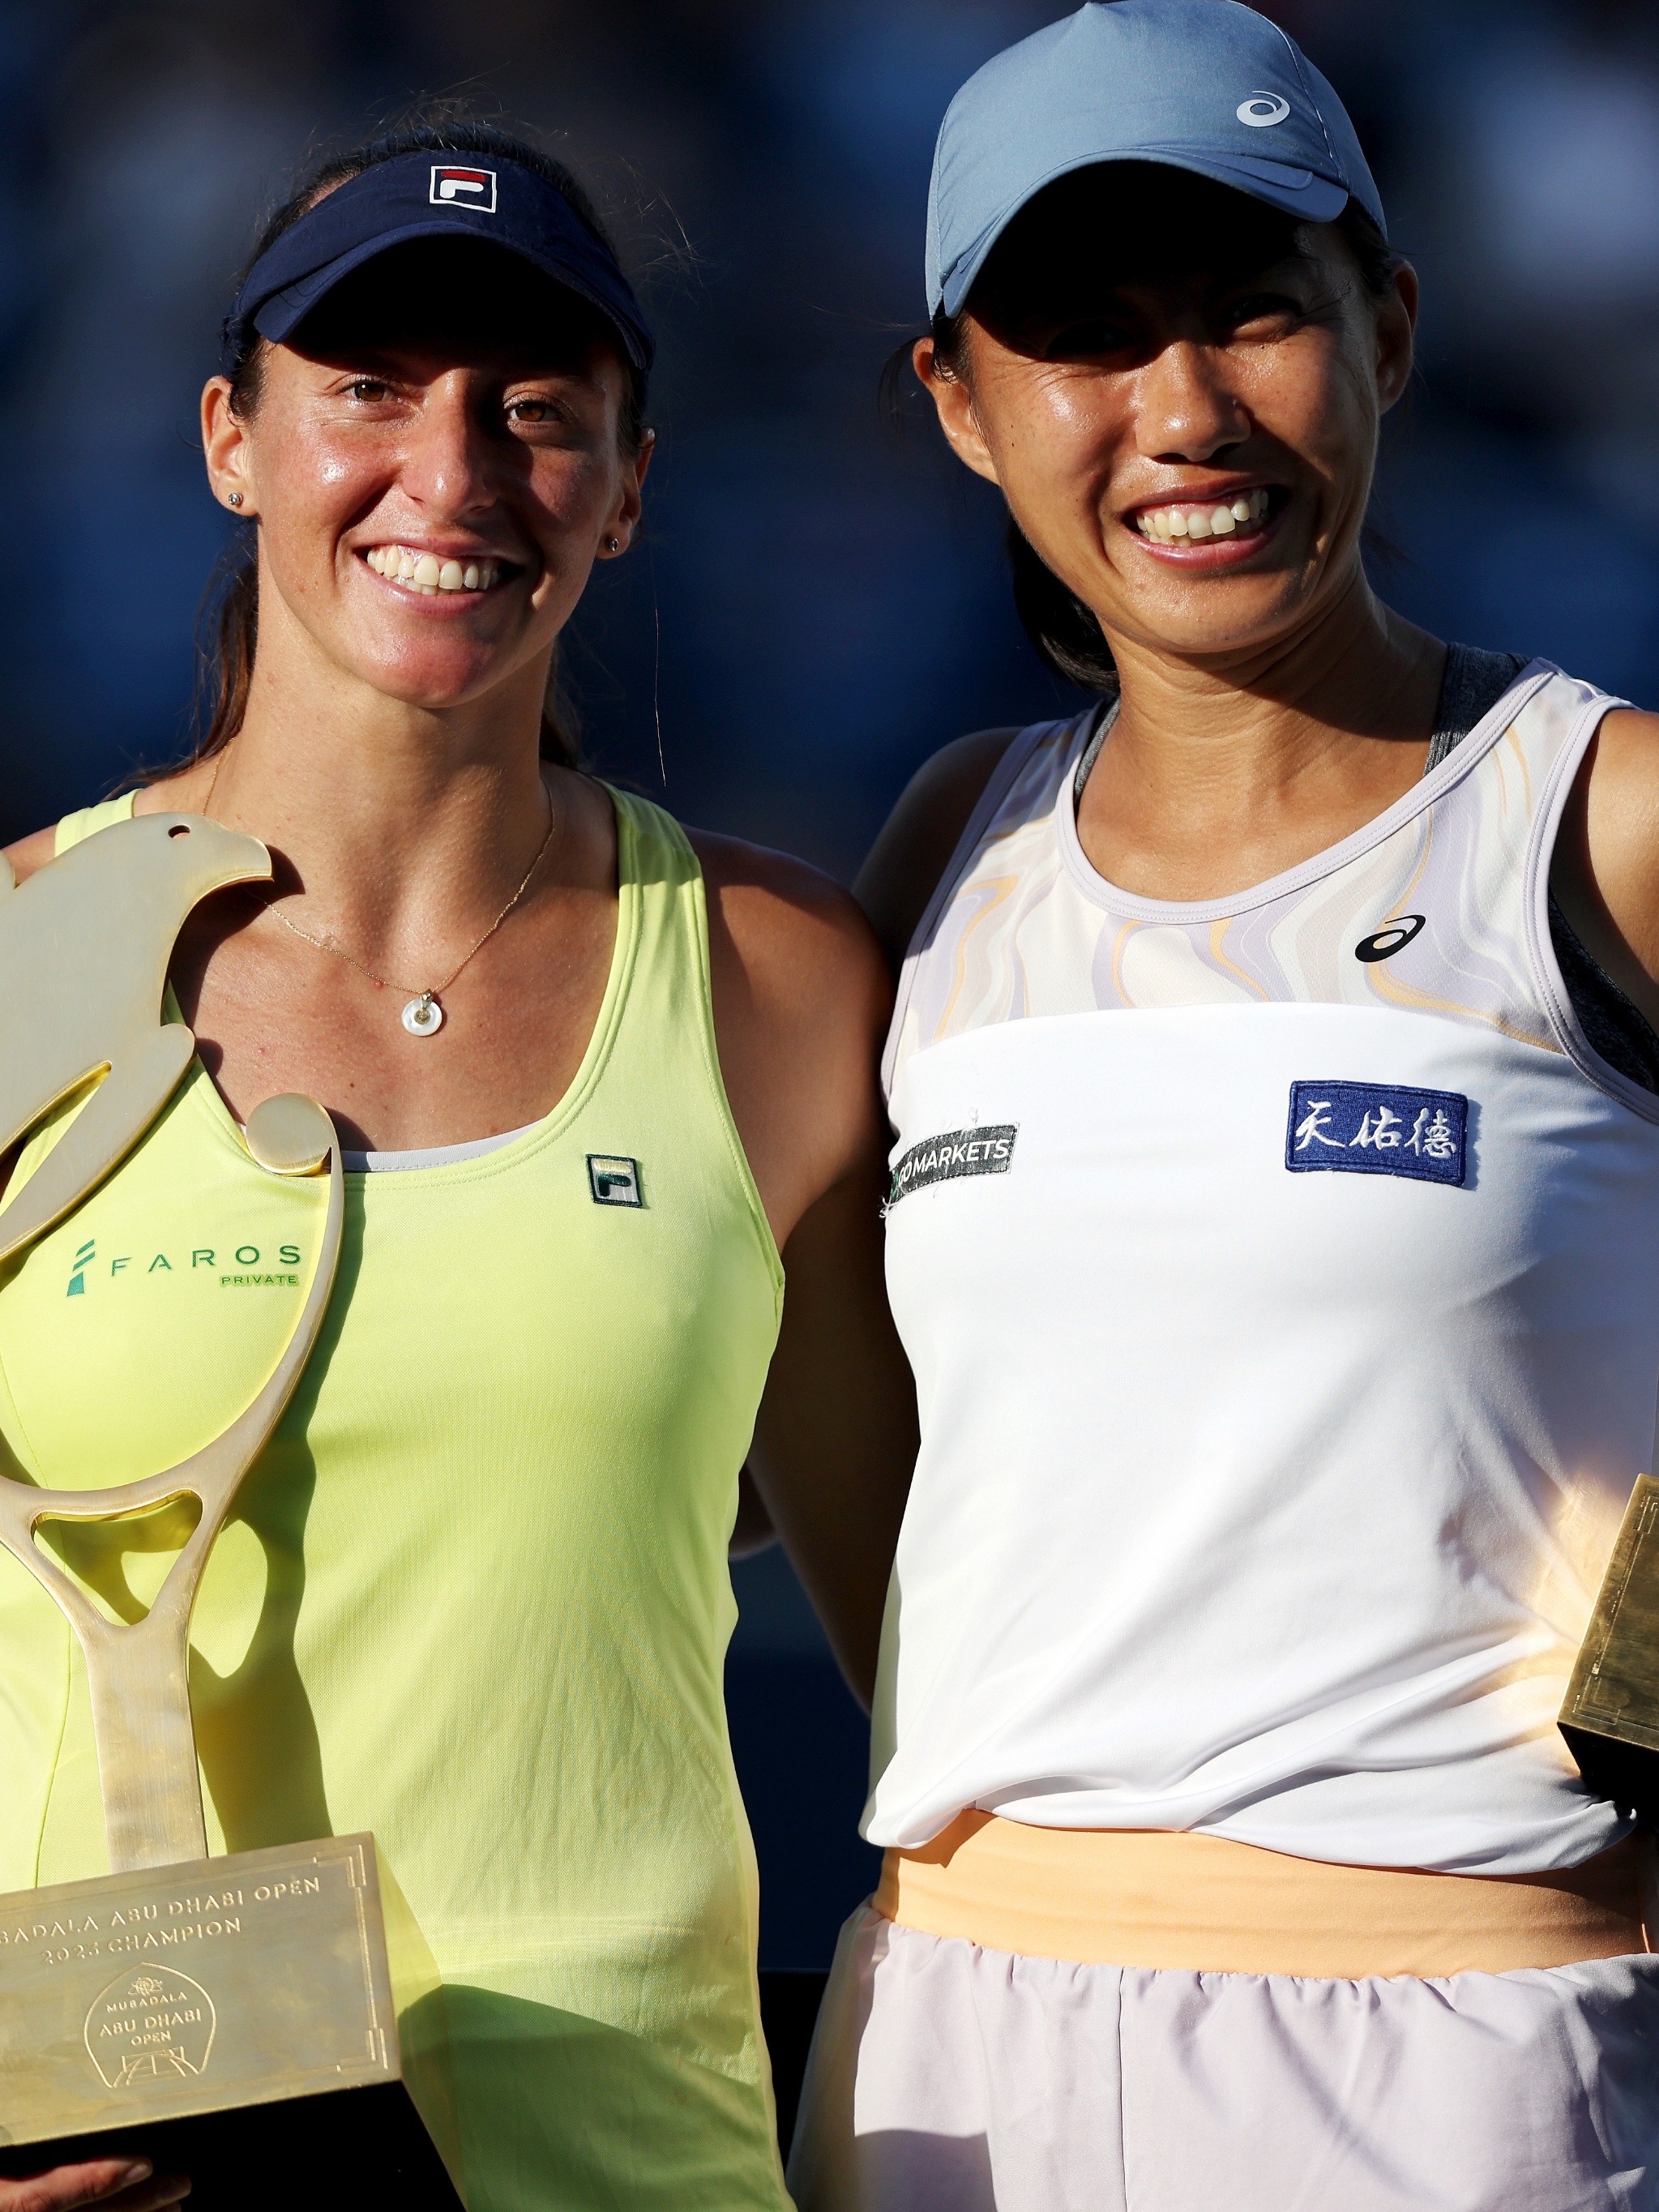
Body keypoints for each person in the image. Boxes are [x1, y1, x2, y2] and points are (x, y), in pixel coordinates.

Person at [789, 6, 1659, 2207]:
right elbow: (843, 1464)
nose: (1186, 413)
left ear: (1391, 325)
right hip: (954, 2040)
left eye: (1257, 311)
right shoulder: (946, 850)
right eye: (1086, 336)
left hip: (1464, 2056)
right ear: (957, 407)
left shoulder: (1606, 813)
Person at [0, 122, 913, 2212]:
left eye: (534, 409)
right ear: (234, 440)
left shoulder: (780, 987)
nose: (456, 468)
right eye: (370, 389)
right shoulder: (13, 962)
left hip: (635, 2169)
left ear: (631, 482)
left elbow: (939, 1687)